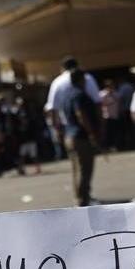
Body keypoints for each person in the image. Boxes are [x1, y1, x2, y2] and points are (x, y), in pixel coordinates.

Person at [62, 69, 102, 207]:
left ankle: (80, 199)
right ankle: (82, 201)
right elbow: (81, 115)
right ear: (80, 80)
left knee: (77, 170)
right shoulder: (79, 95)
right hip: (80, 137)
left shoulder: (67, 95)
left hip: (70, 135)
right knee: (85, 170)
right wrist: (91, 133)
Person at [44, 56, 102, 137]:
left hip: (69, 129)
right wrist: (101, 125)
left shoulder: (57, 82)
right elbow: (97, 102)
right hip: (91, 125)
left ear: (62, 67)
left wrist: (57, 130)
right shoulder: (87, 78)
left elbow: (53, 108)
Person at [13, 96, 42, 175]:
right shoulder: (17, 114)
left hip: (30, 137)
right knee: (22, 155)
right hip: (23, 138)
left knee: (34, 155)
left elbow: (33, 124)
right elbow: (15, 125)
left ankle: (38, 168)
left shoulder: (29, 113)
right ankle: (21, 169)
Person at [99, 79, 121, 151]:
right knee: (107, 132)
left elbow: (118, 101)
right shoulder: (102, 94)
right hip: (106, 116)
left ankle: (115, 146)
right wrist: (107, 94)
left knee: (115, 132)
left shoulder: (116, 93)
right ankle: (107, 146)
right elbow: (101, 104)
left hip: (115, 115)